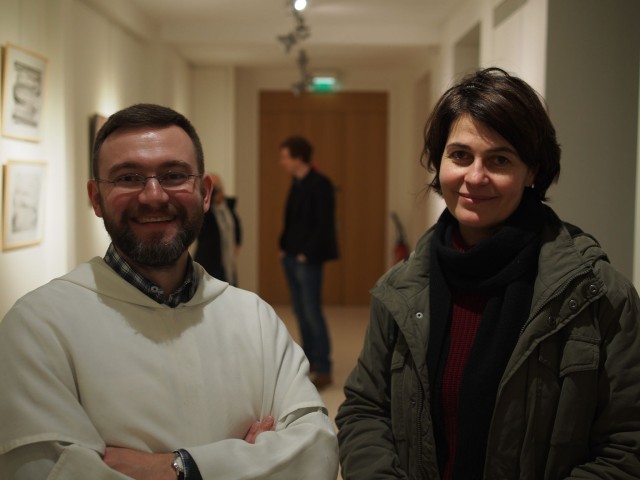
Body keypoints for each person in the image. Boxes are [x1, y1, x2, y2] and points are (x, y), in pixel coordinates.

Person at [0, 104, 338, 479]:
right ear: (96, 198)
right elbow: (44, 471)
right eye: (128, 178)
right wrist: (250, 463)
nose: (154, 196)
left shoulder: (254, 319)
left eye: (174, 175)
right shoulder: (38, 327)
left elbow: (318, 453)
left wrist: (177, 468)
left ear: (205, 192)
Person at [336, 68, 640, 479]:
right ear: (439, 162)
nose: (475, 177)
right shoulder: (401, 288)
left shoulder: (598, 295)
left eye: (499, 160)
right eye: (460, 155)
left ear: (532, 171)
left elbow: (627, 445)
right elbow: (365, 409)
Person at [279, 135, 338, 390]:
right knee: (300, 311)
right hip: (291, 256)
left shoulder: (320, 184)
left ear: (298, 158)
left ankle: (324, 369)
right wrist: (284, 248)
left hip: (308, 259)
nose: (282, 162)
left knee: (312, 312)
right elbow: (292, 220)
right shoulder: (296, 183)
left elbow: (324, 224)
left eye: (285, 157)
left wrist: (306, 253)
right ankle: (310, 360)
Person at [194, 173, 242, 286]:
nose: (215, 192)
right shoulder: (205, 211)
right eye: (212, 189)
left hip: (228, 260)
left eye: (216, 188)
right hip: (208, 261)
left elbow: (236, 225)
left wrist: (238, 241)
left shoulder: (228, 207)